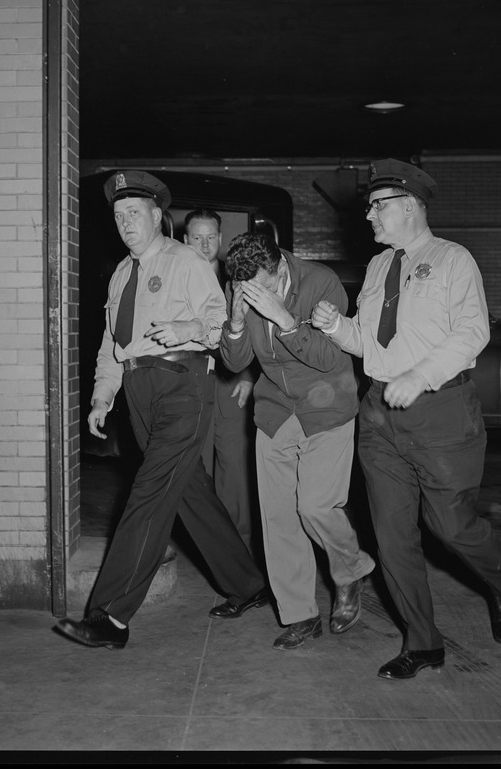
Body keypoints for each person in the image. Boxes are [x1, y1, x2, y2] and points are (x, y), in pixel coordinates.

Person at [311, 158, 501, 679]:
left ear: (409, 207)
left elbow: (472, 333)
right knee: (390, 535)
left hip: (440, 413)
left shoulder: (453, 260)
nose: (369, 217)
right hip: (379, 415)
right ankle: (423, 643)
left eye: (378, 207)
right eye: (370, 207)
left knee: (450, 526)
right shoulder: (379, 267)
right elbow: (368, 341)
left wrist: (420, 375)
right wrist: (338, 327)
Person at [54, 171, 268, 650]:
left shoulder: (186, 260)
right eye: (118, 215)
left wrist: (189, 326)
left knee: (147, 494)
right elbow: (113, 341)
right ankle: (248, 584)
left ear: (157, 217)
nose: (126, 222)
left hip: (183, 386)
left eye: (135, 213)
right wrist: (102, 395)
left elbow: (223, 327)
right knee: (190, 493)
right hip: (137, 391)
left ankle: (110, 616)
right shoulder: (119, 273)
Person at [220, 231, 376, 650]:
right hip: (275, 412)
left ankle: (350, 568)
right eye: (245, 287)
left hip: (327, 407)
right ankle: (300, 615)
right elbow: (235, 361)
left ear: (280, 268)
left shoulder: (321, 283)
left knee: (315, 506)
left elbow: (331, 357)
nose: (256, 295)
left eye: (264, 287)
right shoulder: (243, 283)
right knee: (277, 517)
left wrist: (285, 320)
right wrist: (235, 322)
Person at [184, 210, 259, 552]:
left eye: (210, 237)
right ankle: (210, 547)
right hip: (191, 384)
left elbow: (256, 330)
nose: (203, 244)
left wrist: (249, 376)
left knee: (234, 467)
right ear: (186, 240)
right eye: (196, 237)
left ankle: (239, 546)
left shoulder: (235, 281)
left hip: (230, 381)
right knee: (198, 468)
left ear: (220, 239)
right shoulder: (177, 280)